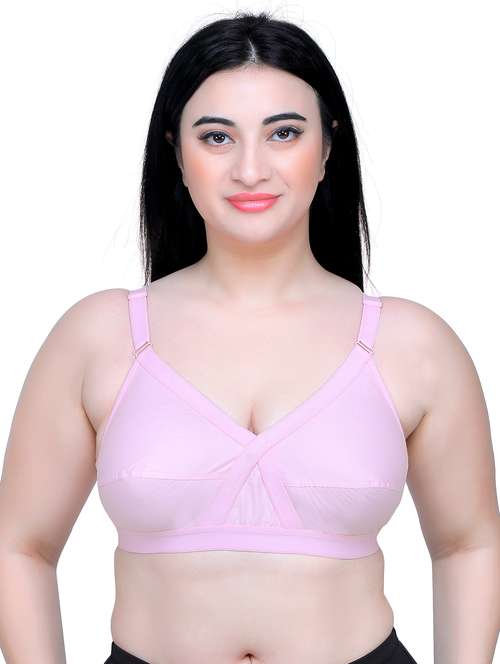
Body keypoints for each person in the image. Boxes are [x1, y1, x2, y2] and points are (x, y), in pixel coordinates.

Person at [1, 10, 499, 664]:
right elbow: (20, 546)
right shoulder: (99, 337)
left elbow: (467, 545)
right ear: (177, 153)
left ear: (328, 147)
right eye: (217, 137)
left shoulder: (414, 345)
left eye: (283, 133)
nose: (250, 168)